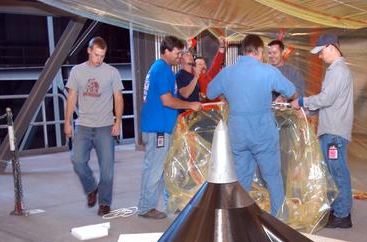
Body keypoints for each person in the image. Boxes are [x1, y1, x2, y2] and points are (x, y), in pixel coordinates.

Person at [207, 34, 296, 217]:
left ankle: (239, 219)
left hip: (238, 133)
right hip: (263, 132)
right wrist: (292, 98)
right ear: (259, 51)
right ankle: (279, 219)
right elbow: (291, 91)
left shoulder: (228, 72)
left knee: (241, 178)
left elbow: (209, 93)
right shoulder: (268, 71)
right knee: (272, 176)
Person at [291, 33, 353, 229]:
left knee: (338, 172)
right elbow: (328, 102)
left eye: (321, 51)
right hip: (331, 129)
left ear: (330, 47)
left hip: (334, 132)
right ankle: (337, 209)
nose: (319, 56)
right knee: (332, 173)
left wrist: (302, 102)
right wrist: (307, 111)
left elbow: (326, 99)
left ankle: (342, 215)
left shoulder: (338, 71)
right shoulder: (335, 70)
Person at [138, 36, 202, 219]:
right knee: (155, 168)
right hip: (157, 128)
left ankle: (169, 203)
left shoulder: (163, 69)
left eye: (181, 53)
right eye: (177, 53)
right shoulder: (161, 69)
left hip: (162, 126)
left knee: (164, 167)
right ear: (166, 51)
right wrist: (189, 105)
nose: (180, 57)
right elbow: (167, 101)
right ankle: (146, 207)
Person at [65, 36, 123, 216]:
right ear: (89, 51)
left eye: (102, 56)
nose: (99, 59)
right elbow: (72, 97)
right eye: (96, 55)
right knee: (77, 161)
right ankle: (91, 187)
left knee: (107, 169)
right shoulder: (77, 71)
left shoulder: (112, 72)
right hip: (83, 124)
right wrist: (67, 122)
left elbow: (118, 98)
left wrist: (118, 121)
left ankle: (104, 202)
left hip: (105, 126)